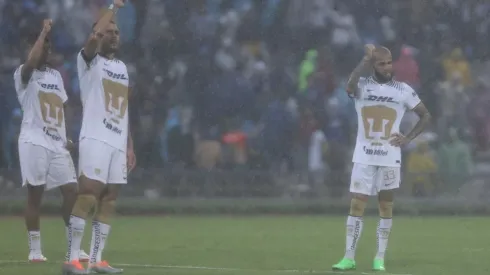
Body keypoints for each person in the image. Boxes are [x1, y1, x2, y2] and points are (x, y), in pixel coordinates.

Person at [332, 45, 431, 271]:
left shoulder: (403, 90)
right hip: (364, 155)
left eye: (389, 62)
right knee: (357, 204)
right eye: (381, 63)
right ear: (373, 65)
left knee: (385, 207)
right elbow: (349, 85)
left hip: (389, 156)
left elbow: (425, 115)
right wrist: (364, 60)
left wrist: (407, 138)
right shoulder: (362, 86)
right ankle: (349, 257)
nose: (387, 67)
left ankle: (380, 257)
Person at [62, 1, 136, 274]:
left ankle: (96, 261)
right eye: (108, 30)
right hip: (95, 137)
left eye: (117, 32)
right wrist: (113, 8)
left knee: (109, 200)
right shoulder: (88, 61)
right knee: (88, 195)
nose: (113, 34)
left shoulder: (123, 69)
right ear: (98, 34)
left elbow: (125, 109)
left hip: (117, 141)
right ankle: (71, 260)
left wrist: (129, 145)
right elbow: (94, 37)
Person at [13, 19, 89, 263]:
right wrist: (44, 30)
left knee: (71, 192)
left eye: (49, 46)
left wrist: (65, 135)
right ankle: (35, 249)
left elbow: (62, 106)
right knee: (35, 196)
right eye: (42, 46)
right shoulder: (24, 74)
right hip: (34, 140)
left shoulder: (56, 76)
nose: (46, 50)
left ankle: (73, 247)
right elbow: (31, 63)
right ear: (31, 48)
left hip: (57, 144)